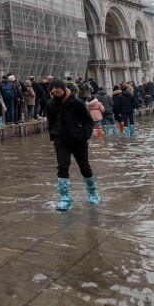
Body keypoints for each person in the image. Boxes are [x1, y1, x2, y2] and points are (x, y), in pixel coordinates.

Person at [46, 77, 99, 210]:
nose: (54, 90)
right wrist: (52, 137)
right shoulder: (51, 104)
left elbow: (88, 121)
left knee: (84, 167)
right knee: (62, 167)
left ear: (63, 88)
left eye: (57, 87)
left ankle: (93, 193)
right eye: (52, 88)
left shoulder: (77, 102)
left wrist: (85, 136)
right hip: (61, 141)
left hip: (78, 140)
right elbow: (50, 122)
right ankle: (65, 198)